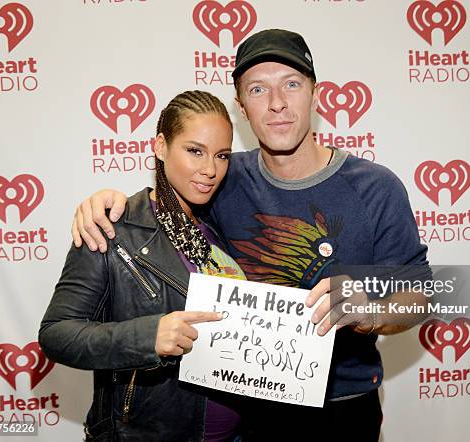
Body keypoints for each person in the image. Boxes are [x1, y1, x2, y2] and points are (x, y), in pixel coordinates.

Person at [71, 30, 431, 440]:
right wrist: (107, 203)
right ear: (241, 108)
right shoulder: (222, 174)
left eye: (291, 84)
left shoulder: (375, 188)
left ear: (316, 95)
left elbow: (418, 293)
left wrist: (373, 313)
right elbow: (164, 204)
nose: (277, 103)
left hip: (342, 407)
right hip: (243, 409)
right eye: (258, 89)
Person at [39, 90, 247, 441]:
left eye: (222, 155)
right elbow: (56, 333)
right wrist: (147, 337)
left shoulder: (215, 230)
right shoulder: (113, 228)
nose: (210, 169)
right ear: (161, 146)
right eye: (194, 150)